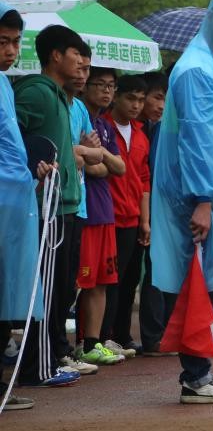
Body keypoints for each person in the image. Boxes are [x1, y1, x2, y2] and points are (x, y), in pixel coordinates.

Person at [150, 0, 213, 404]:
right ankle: (196, 376)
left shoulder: (212, 68)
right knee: (200, 283)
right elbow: (196, 139)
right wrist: (204, 199)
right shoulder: (195, 71)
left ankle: (201, 370)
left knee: (210, 280)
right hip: (199, 194)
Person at [13, 25, 95, 388]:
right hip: (46, 209)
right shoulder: (36, 91)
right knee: (44, 292)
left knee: (62, 290)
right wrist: (33, 166)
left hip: (67, 207)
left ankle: (47, 357)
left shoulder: (60, 97)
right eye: (76, 54)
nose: (81, 64)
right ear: (56, 55)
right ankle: (37, 367)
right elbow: (11, 134)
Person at [0, 4, 52, 409]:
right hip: (6, 200)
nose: (11, 50)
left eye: (16, 42)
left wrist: (33, 167)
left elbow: (11, 146)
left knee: (9, 294)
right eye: (3, 42)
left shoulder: (4, 84)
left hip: (15, 203)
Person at [76, 66, 127, 365]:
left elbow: (118, 168)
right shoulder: (78, 117)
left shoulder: (105, 127)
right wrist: (100, 160)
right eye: (101, 84)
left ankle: (93, 342)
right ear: (86, 87)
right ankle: (76, 343)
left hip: (105, 211)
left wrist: (101, 154)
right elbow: (88, 165)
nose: (107, 91)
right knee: (79, 281)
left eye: (111, 86)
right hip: (85, 212)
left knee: (102, 281)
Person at [103, 75, 151, 356]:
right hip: (108, 215)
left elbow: (144, 180)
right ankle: (101, 336)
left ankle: (121, 334)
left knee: (129, 279)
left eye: (140, 100)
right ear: (116, 96)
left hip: (133, 216)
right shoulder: (103, 127)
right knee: (108, 280)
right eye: (131, 98)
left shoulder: (141, 134)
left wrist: (145, 221)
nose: (136, 105)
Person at [136, 71, 169, 355]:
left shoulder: (158, 128)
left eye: (165, 99)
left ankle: (155, 335)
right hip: (131, 209)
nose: (162, 104)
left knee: (156, 271)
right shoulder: (131, 127)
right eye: (157, 97)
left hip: (156, 210)